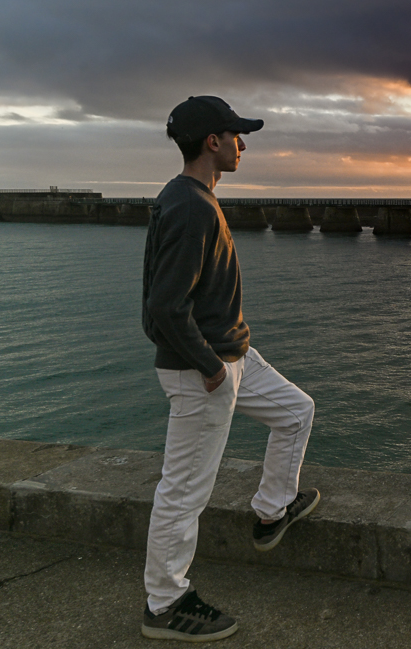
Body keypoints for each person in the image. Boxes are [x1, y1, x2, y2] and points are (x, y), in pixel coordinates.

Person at [140, 95, 318, 642]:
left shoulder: (190, 197)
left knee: (296, 410)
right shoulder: (192, 206)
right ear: (211, 142)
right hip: (206, 368)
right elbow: (163, 308)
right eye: (235, 134)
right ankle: (165, 604)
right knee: (184, 491)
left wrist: (227, 358)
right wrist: (210, 368)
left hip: (234, 354)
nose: (243, 143)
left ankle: (271, 511)